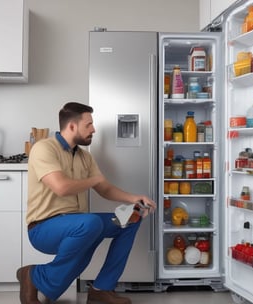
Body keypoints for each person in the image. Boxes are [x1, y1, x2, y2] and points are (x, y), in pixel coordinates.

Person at [17, 102, 156, 304]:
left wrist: (134, 198)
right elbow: (61, 187)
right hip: (44, 228)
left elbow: (104, 188)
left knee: (130, 220)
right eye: (89, 124)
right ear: (72, 126)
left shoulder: (85, 156)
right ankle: (33, 275)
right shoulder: (44, 148)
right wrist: (95, 180)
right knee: (91, 222)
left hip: (79, 224)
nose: (94, 129)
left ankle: (102, 288)